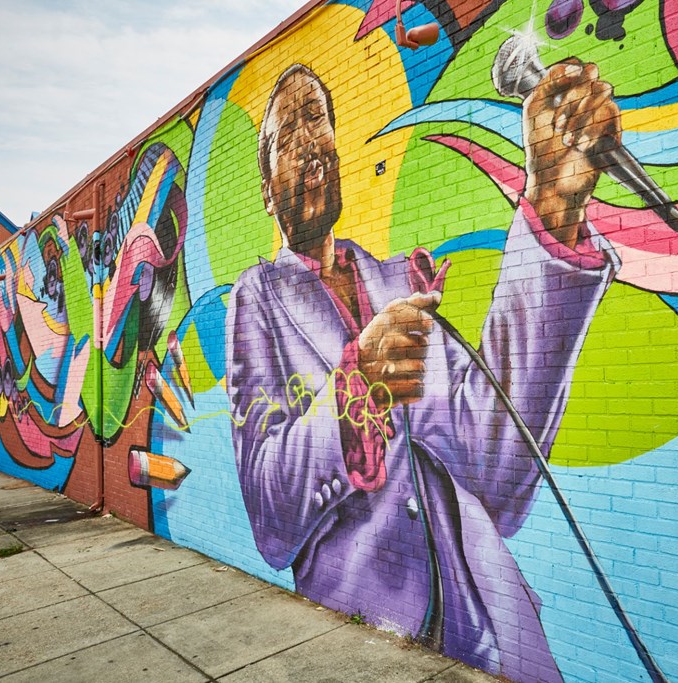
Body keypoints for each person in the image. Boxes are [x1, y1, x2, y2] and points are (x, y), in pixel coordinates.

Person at [226, 60, 621, 682]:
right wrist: (359, 387)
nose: (308, 141)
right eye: (286, 134)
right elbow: (270, 516)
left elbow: (495, 467)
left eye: (317, 120)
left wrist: (550, 203)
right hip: (359, 635)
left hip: (486, 623)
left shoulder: (397, 282)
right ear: (266, 187)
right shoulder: (258, 299)